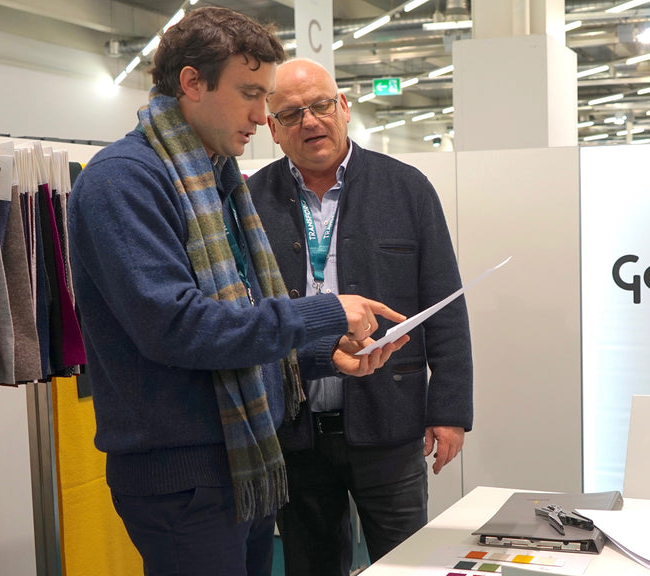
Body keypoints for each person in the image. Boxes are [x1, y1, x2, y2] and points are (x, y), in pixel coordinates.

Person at [66, 9, 407, 576]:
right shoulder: (124, 180)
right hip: (185, 478)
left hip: (241, 464)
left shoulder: (217, 182)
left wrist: (327, 357)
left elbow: (237, 320)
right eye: (250, 93)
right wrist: (324, 312)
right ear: (192, 83)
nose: (260, 114)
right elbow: (178, 327)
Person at [247, 58, 474, 576]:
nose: (310, 121)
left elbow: (446, 305)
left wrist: (451, 408)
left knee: (405, 565)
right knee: (310, 564)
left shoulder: (407, 188)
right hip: (293, 428)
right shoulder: (250, 200)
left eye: (322, 105)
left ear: (344, 108)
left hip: (389, 422)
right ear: (274, 131)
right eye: (291, 114)